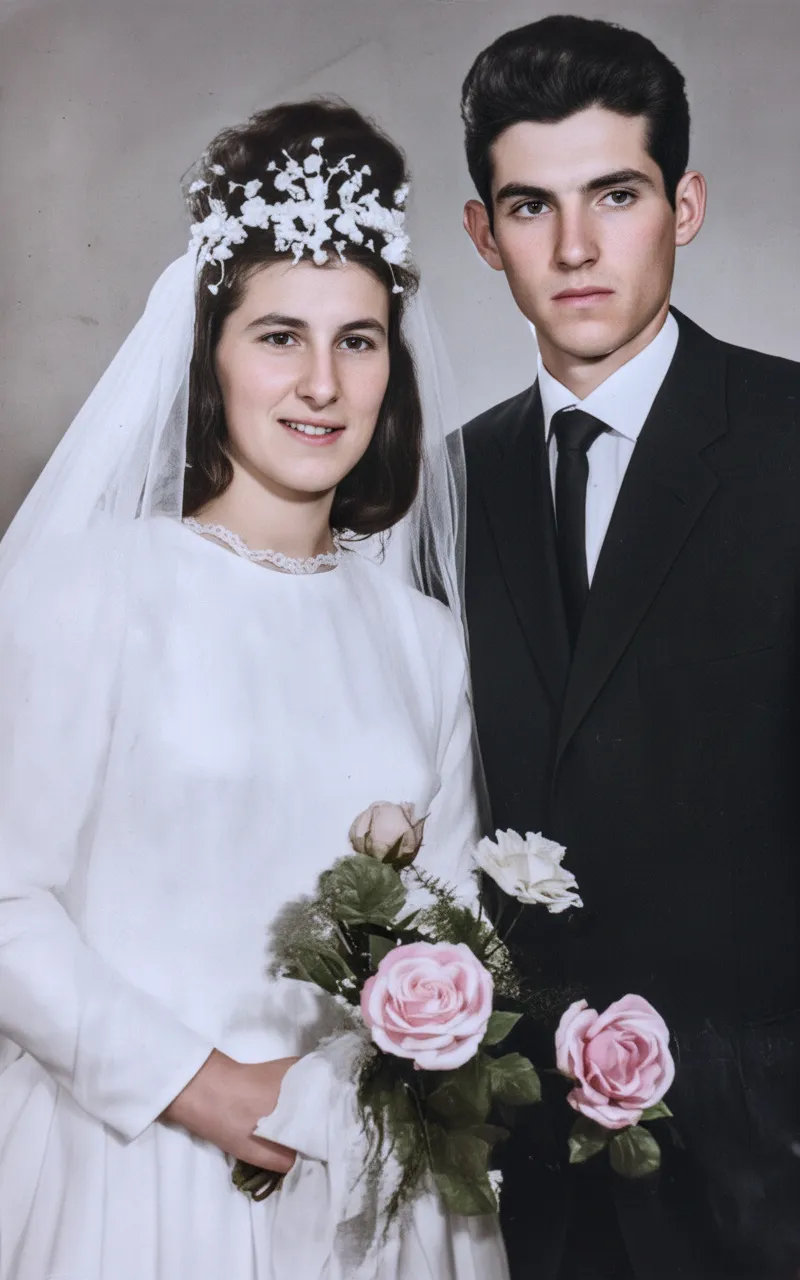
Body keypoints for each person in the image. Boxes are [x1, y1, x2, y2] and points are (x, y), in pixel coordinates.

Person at [0, 98, 508, 1280]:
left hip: (368, 1194)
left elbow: (456, 935)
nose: (322, 382)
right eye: (279, 335)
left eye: (358, 339)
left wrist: (368, 1083)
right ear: (209, 351)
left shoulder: (423, 638)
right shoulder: (93, 586)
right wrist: (203, 1086)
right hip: (137, 1173)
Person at [457, 15, 800, 1280]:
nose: (577, 247)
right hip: (516, 1176)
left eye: (615, 192)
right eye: (530, 207)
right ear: (482, 235)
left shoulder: (785, 437)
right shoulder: (446, 486)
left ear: (685, 203)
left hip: (766, 1173)